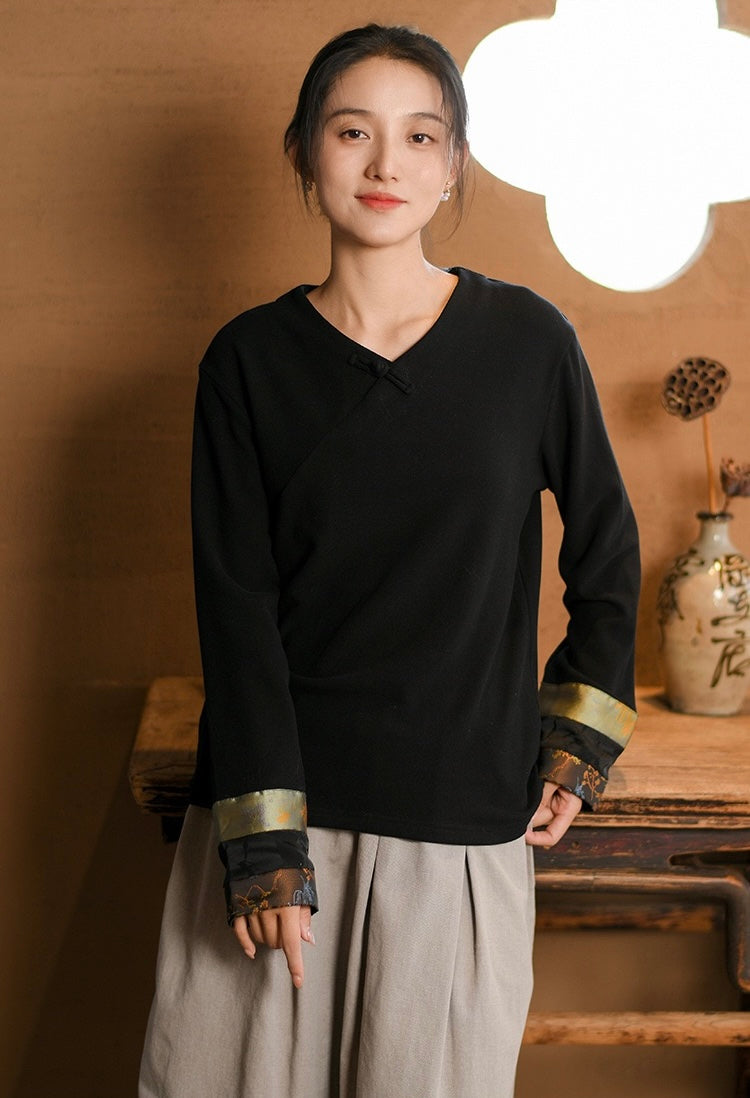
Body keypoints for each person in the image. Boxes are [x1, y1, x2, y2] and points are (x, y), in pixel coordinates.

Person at [139, 22, 640, 1098]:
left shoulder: (529, 342)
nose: (385, 164)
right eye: (351, 131)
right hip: (282, 814)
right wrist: (264, 845)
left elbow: (607, 546)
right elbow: (236, 609)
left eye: (419, 137)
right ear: (304, 153)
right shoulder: (247, 363)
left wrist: (580, 733)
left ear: (453, 163)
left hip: (460, 816)